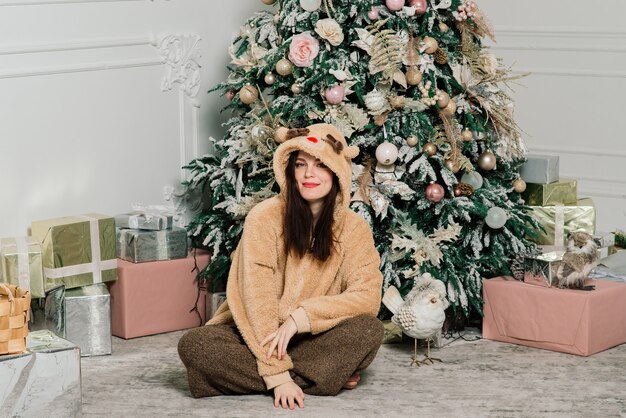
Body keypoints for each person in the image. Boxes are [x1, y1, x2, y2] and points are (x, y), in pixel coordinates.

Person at [178, 123, 384, 410]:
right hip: (255, 332)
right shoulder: (264, 217)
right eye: (301, 165)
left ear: (337, 172)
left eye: (321, 165)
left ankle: (234, 378)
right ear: (290, 170)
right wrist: (277, 376)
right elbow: (256, 296)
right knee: (196, 346)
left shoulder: (354, 228)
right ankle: (317, 377)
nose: (309, 174)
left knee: (368, 330)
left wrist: (301, 318)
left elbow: (367, 297)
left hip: (312, 335)